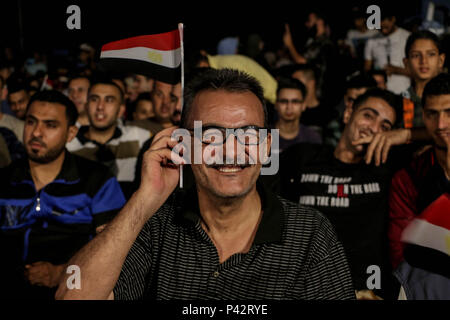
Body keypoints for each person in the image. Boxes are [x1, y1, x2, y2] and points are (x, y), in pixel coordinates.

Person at [56, 68, 355, 300]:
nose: (230, 150)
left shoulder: (310, 232)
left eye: (247, 136)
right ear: (183, 145)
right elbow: (74, 295)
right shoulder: (157, 225)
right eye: (211, 137)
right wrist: (145, 199)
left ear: (266, 147)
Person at [276, 88, 421, 299]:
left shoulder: (388, 167)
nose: (373, 128)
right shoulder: (302, 156)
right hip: (302, 288)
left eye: (384, 126)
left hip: (367, 292)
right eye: (368, 115)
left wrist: (407, 134)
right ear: (347, 114)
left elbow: (442, 135)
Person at [0, 90, 126, 299]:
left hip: (73, 291)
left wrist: (61, 273)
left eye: (50, 125)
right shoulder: (4, 180)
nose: (37, 133)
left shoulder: (96, 180)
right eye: (31, 122)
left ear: (70, 133)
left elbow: (117, 250)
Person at [389, 73, 450, 273]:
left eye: (449, 112)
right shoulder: (408, 178)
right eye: (432, 114)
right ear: (423, 116)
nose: (441, 124)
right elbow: (400, 250)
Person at [66, 78, 151, 199]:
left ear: (121, 110)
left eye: (109, 100)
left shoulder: (140, 138)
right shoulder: (68, 144)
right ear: (86, 106)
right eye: (94, 99)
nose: (100, 106)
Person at [401, 30, 446, 129]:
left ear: (441, 60)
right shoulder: (399, 102)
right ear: (406, 63)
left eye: (431, 54)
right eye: (416, 55)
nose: (423, 61)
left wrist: (407, 135)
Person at [364, 8, 411, 94]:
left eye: (385, 26)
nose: (383, 30)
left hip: (406, 92)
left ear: (393, 19)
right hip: (381, 93)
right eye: (379, 27)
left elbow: (418, 72)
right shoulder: (371, 41)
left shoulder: (408, 37)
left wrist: (397, 70)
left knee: (408, 108)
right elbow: (367, 69)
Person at [324, 74, 377, 147]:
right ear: (345, 100)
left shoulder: (378, 129)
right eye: (351, 100)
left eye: (360, 101)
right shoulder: (334, 127)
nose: (354, 106)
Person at [274, 77, 322, 152]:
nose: (289, 107)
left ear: (303, 105)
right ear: (276, 104)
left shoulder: (312, 138)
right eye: (284, 101)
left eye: (295, 102)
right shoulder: (264, 136)